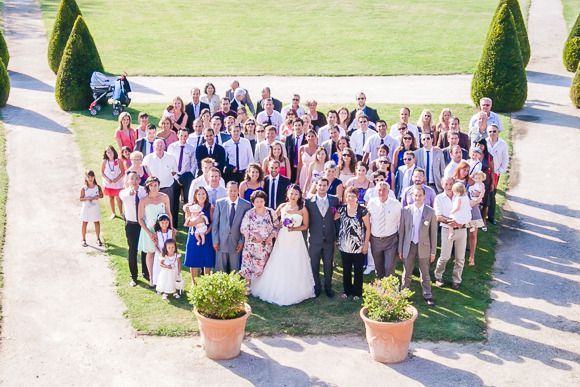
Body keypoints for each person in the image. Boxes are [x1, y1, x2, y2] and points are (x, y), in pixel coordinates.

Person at [251, 184, 315, 305]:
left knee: (295, 261)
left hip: (296, 238)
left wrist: (294, 228)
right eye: (291, 193)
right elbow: (274, 220)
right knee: (280, 259)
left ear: (299, 195)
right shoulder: (282, 207)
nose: (293, 196)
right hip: (283, 237)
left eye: (296, 194)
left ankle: (297, 289)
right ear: (287, 194)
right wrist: (278, 226)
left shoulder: (303, 209)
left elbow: (305, 226)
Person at [398, 185, 438, 307]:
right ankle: (404, 294)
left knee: (425, 272)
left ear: (424, 196)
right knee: (407, 272)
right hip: (408, 245)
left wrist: (433, 252)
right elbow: (402, 231)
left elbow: (433, 233)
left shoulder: (430, 212)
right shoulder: (405, 210)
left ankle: (427, 294)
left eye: (420, 195)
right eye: (415, 195)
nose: (418, 197)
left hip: (424, 246)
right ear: (412, 196)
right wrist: (400, 249)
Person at [306, 178, 340, 297]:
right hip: (315, 238)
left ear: (327, 186)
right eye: (319, 185)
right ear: (316, 186)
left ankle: (328, 287)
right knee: (314, 264)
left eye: (324, 185)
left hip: (329, 238)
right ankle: (316, 287)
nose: (321, 188)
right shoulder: (309, 201)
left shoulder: (334, 200)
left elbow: (338, 214)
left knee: (328, 264)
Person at [239, 191, 279, 288]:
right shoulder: (249, 213)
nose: (259, 204)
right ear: (253, 202)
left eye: (261, 201)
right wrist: (254, 235)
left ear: (264, 201)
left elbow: (277, 226)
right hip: (251, 246)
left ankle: (262, 288)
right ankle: (248, 287)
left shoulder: (270, 212)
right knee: (249, 266)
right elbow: (243, 228)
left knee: (264, 266)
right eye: (257, 201)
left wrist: (271, 236)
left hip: (266, 245)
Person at [433, 176, 467, 290]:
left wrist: (461, 223)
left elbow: (467, 211)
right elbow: (438, 216)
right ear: (442, 185)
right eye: (446, 184)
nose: (448, 186)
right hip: (447, 229)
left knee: (460, 258)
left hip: (462, 229)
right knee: (445, 256)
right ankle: (438, 277)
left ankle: (456, 280)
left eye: (450, 184)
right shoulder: (439, 198)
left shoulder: (461, 196)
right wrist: (452, 222)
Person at [137, 177, 172, 288]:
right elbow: (140, 219)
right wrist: (149, 233)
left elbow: (168, 213)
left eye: (155, 185)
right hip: (150, 230)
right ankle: (152, 278)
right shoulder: (143, 200)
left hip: (163, 230)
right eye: (151, 185)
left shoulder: (164, 197)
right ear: (148, 186)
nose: (153, 187)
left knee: (164, 253)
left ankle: (164, 278)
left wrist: (171, 228)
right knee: (151, 253)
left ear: (159, 185)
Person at [337, 187, 370, 300]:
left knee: (358, 270)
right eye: (348, 196)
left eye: (353, 196)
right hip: (344, 245)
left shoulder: (362, 210)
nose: (351, 198)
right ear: (345, 197)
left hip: (358, 246)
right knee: (346, 270)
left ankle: (357, 293)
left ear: (357, 197)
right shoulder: (341, 209)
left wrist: (366, 244)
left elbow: (368, 228)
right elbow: (333, 218)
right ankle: (347, 291)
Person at [212, 181, 251, 273]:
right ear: (227, 191)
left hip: (236, 242)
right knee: (220, 269)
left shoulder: (246, 205)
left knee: (235, 269)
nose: (233, 193)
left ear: (238, 190)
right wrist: (215, 240)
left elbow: (246, 226)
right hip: (221, 241)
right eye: (231, 191)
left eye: (235, 191)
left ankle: (234, 287)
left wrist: (241, 241)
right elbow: (215, 224)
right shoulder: (220, 203)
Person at [366, 182, 401, 278]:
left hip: (391, 240)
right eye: (379, 190)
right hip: (375, 240)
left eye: (384, 190)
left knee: (389, 266)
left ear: (389, 191)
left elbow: (400, 223)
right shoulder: (372, 203)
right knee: (378, 266)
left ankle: (390, 287)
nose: (382, 192)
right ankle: (381, 286)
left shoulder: (396, 204)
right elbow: (368, 220)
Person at [120, 172, 148, 286]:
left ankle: (146, 272)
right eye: (132, 179)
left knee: (145, 249)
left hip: (143, 224)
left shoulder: (144, 191)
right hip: (131, 225)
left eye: (137, 179)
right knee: (133, 250)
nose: (135, 181)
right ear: (128, 181)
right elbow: (124, 196)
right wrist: (130, 192)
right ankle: (134, 276)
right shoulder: (124, 193)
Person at [184, 187, 215, 283]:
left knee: (207, 257)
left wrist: (208, 231)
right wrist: (199, 220)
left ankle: (207, 281)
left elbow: (212, 222)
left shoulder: (210, 207)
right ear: (195, 196)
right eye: (199, 194)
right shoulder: (191, 207)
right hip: (194, 235)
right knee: (193, 258)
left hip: (207, 235)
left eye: (203, 194)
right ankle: (194, 281)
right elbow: (188, 223)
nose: (201, 196)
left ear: (206, 195)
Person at [143, 139, 178, 224]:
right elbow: (144, 171)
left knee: (169, 208)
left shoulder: (171, 157)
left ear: (165, 146)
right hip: (153, 189)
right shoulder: (148, 158)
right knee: (154, 209)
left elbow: (174, 171)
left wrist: (165, 177)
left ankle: (170, 227)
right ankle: (155, 226)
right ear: (154, 147)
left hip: (167, 187)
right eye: (157, 145)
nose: (159, 147)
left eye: (161, 145)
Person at [167, 129, 196, 224]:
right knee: (174, 200)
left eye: (185, 136)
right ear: (178, 135)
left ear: (188, 136)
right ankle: (173, 223)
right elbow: (169, 163)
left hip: (186, 175)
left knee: (188, 199)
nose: (183, 138)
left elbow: (194, 163)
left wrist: (190, 175)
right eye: (181, 135)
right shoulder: (172, 147)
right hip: (174, 176)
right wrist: (175, 176)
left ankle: (188, 221)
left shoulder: (191, 148)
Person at [485, 124, 509, 225]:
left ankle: (491, 217)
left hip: (495, 173)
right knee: (484, 194)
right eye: (490, 131)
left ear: (498, 132)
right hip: (484, 173)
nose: (492, 133)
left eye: (494, 131)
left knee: (492, 194)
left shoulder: (502, 144)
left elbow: (505, 159)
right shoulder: (484, 142)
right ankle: (481, 216)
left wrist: (499, 171)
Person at [80, 170, 103, 247]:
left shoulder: (97, 187)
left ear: (94, 177)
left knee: (96, 222)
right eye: (89, 177)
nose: (90, 178)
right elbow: (80, 198)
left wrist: (97, 196)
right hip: (86, 208)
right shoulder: (84, 188)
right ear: (86, 178)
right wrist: (87, 198)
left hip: (95, 208)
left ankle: (98, 239)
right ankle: (83, 239)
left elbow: (101, 195)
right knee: (85, 222)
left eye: (92, 177)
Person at [101, 145, 125, 220]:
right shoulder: (104, 161)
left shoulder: (118, 161)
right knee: (111, 198)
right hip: (109, 183)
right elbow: (102, 172)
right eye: (108, 152)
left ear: (114, 152)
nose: (109, 154)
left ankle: (121, 213)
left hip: (118, 183)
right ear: (106, 153)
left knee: (118, 199)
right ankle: (113, 213)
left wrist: (116, 179)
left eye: (111, 152)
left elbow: (122, 172)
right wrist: (107, 179)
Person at [151, 213, 175, 288]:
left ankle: (168, 284)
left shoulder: (171, 232)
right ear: (159, 223)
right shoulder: (156, 233)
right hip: (160, 254)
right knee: (159, 269)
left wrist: (171, 252)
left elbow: (174, 243)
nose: (164, 224)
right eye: (162, 223)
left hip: (169, 254)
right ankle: (158, 284)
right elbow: (155, 246)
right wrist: (160, 253)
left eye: (166, 222)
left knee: (168, 270)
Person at [285, 118, 308, 183]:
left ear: (303, 126)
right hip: (291, 168)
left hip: (303, 168)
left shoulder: (307, 138)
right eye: (296, 125)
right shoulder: (288, 138)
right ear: (293, 127)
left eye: (299, 125)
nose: (297, 127)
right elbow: (286, 153)